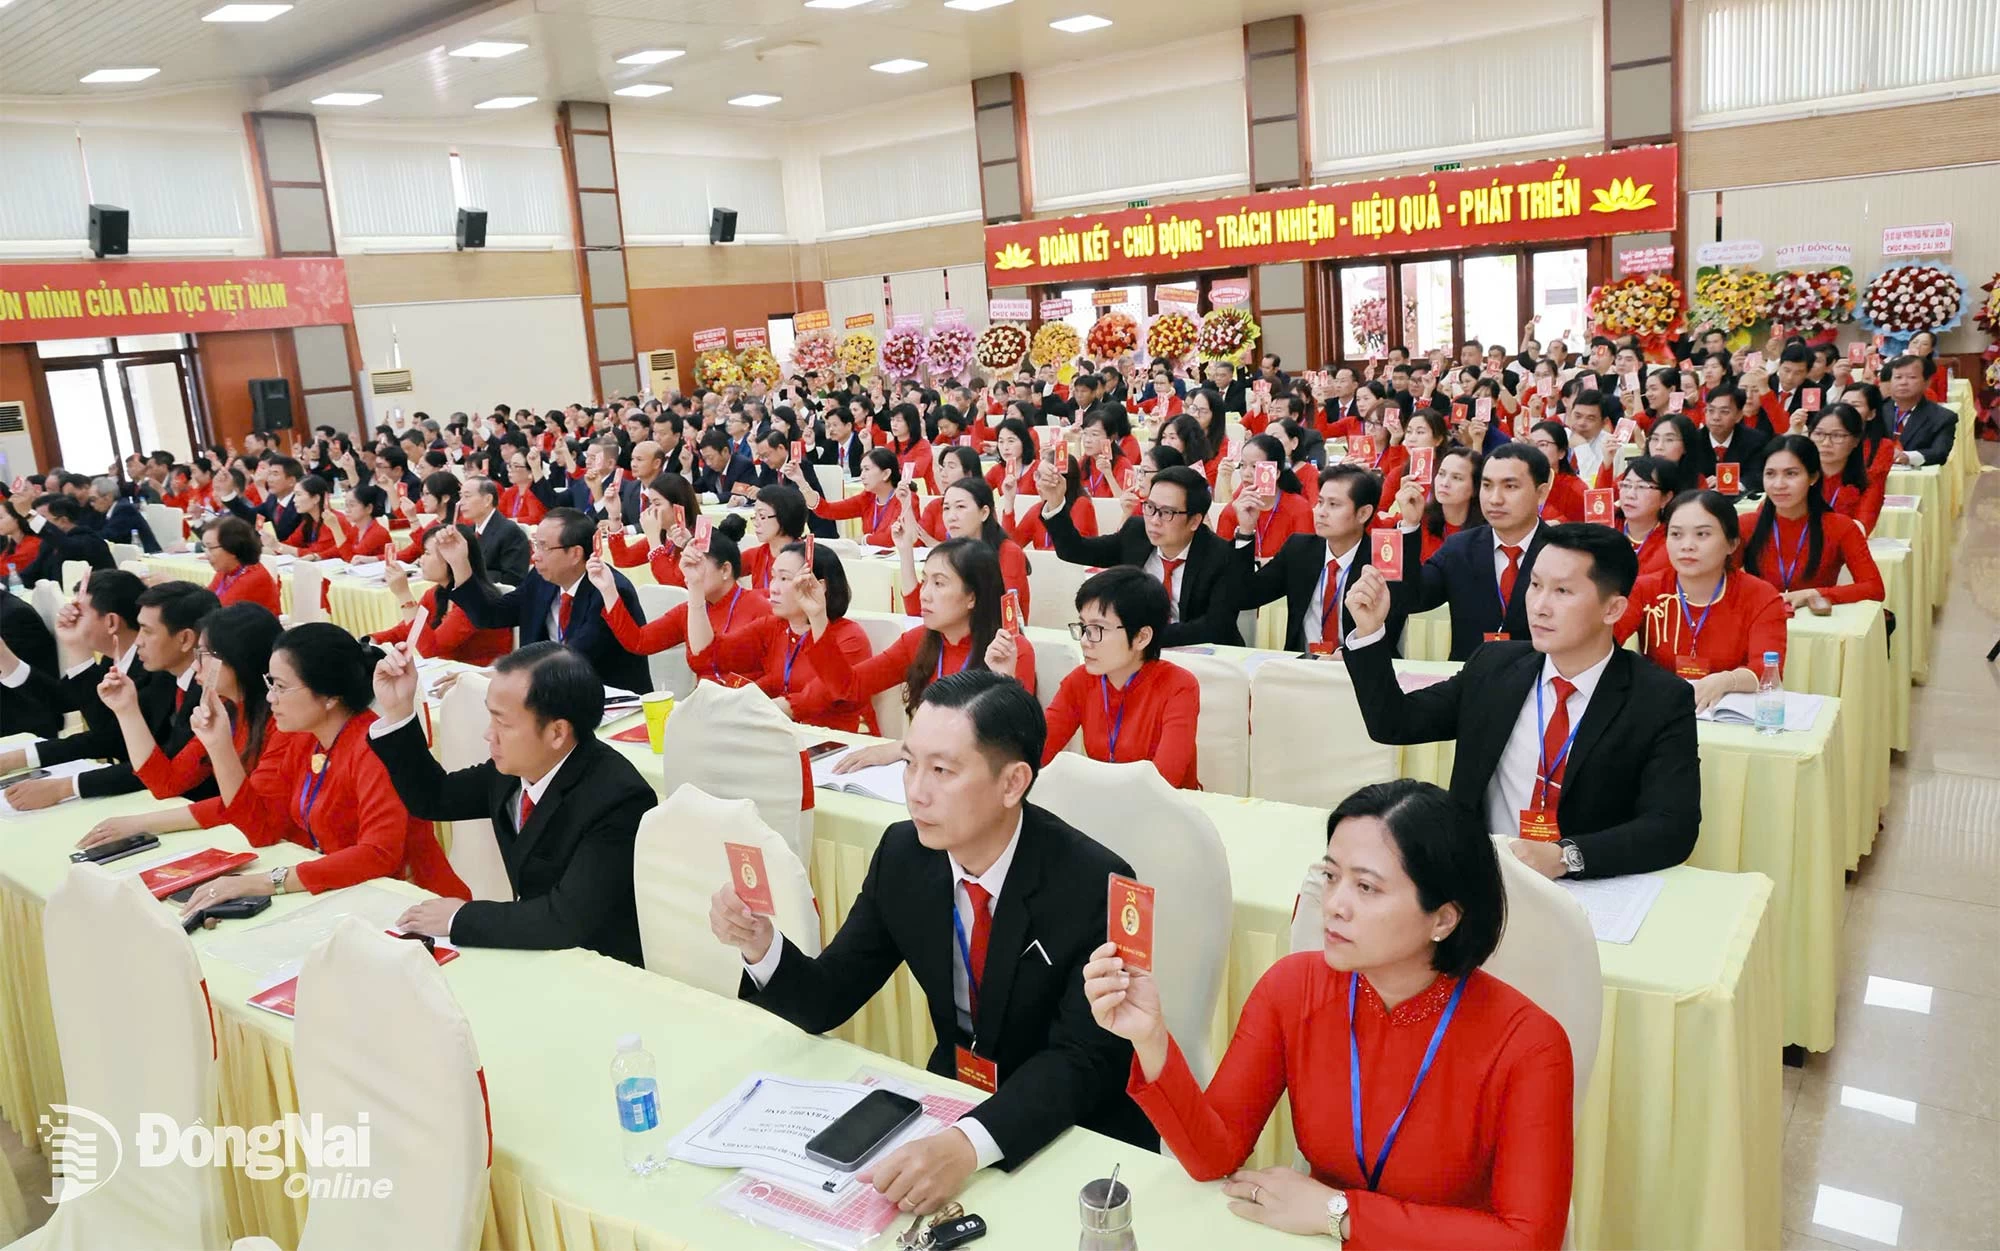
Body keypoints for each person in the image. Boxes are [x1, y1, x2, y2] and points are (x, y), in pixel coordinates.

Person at [709, 670, 1156, 1214]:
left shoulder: (1092, 884)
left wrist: (968, 1145)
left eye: (942, 770)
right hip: (953, 1102)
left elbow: (1083, 1061)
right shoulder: (904, 855)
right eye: (908, 763)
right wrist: (762, 946)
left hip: (1076, 1138)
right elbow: (829, 995)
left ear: (1012, 783)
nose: (915, 791)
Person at [1087, 778, 1572, 1247]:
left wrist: (1338, 1213)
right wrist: (1150, 1038)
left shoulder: (1528, 1043)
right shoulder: (1293, 987)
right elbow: (1215, 1156)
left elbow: (1528, 1239)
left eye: (1366, 888)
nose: (1334, 905)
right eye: (1331, 875)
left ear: (1443, 918)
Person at [1343, 523, 1700, 880]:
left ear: (1613, 609)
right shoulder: (1495, 667)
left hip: (1587, 885)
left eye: (1562, 591)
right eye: (1534, 585)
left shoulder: (1659, 699)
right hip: (1483, 876)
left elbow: (1673, 826)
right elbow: (1395, 722)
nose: (1540, 606)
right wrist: (1371, 632)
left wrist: (1566, 857)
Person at [89, 623, 472, 919]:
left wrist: (265, 882)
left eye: (282, 687)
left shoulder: (375, 747)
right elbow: (261, 827)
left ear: (329, 697)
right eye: (269, 683)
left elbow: (378, 855)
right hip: (350, 897)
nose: (270, 697)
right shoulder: (304, 739)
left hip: (416, 907)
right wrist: (219, 745)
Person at [367, 641, 656, 964]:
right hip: (534, 947)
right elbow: (435, 797)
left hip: (599, 964)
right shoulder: (514, 769)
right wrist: (398, 710)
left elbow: (565, 920)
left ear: (557, 732)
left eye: (502, 723)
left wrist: (459, 917)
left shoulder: (617, 798)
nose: (489, 735)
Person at [815, 540, 1040, 763]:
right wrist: (817, 617)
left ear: (972, 596)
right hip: (925, 770)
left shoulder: (1009, 650)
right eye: (924, 582)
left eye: (939, 584)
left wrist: (903, 748)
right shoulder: (918, 640)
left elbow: (1008, 744)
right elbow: (849, 686)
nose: (924, 594)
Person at [0, 573, 189, 808]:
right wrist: (5, 659)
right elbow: (64, 700)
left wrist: (64, 786)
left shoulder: (160, 670)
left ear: (111, 622)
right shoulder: (117, 657)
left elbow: (110, 737)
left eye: (80, 613)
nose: (70, 618)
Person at [440, 509, 652, 694]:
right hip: (549, 693)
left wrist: (500, 675)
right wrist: (460, 564)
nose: (535, 556)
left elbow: (572, 659)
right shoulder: (542, 579)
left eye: (544, 548)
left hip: (605, 698)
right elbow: (491, 614)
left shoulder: (610, 590)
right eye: (535, 545)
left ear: (575, 554)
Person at [1038, 464, 1247, 647]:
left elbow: (1216, 626)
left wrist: (1139, 636)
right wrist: (1056, 502)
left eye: (1167, 513)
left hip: (1203, 656)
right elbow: (1075, 550)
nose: (1154, 520)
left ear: (1194, 521)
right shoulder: (1136, 533)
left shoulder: (1221, 556)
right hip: (1141, 650)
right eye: (1150, 507)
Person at [1029, 567, 1200, 788]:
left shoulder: (1178, 686)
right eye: (1083, 627)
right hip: (1103, 804)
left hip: (1165, 811)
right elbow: (1035, 754)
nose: (1084, 640)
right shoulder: (1080, 681)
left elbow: (1165, 782)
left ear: (1141, 637)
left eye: (1098, 628)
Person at [1616, 491, 1788, 709]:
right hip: (1658, 707)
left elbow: (1767, 669)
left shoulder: (1761, 596)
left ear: (1732, 544)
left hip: (1727, 714)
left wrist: (1724, 681)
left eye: (1702, 535)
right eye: (1676, 535)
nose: (1687, 545)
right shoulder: (1645, 589)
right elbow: (1605, 644)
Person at [685, 540, 872, 731]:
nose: (773, 588)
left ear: (818, 586)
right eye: (773, 577)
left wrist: (740, 710)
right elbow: (709, 656)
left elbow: (812, 699)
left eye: (784, 579)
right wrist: (695, 588)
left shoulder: (850, 638)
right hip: (779, 733)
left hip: (836, 744)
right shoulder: (774, 627)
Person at [1394, 444, 1553, 661]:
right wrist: (1410, 527)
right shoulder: (1459, 548)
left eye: (1510, 487)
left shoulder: (1561, 553)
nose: (1495, 499)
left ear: (1541, 493)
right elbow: (1412, 599)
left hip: (1540, 683)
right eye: (1487, 486)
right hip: (1469, 679)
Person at [124, 603, 282, 805]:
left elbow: (257, 809)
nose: (194, 665)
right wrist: (127, 709)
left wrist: (146, 823)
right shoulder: (226, 709)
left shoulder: (280, 719)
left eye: (203, 655)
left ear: (237, 657)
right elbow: (166, 783)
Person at [1238, 465, 1404, 654]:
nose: (1320, 512)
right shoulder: (1299, 550)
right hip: (1304, 668)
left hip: (1359, 671)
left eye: (1333, 505)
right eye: (1320, 502)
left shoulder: (1382, 559)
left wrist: (1350, 656)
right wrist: (1245, 532)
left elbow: (1390, 629)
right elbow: (1246, 596)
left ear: (1363, 513)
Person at [1739, 435, 1884, 609]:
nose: (1778, 484)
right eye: (1770, 474)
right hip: (1758, 624)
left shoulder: (1841, 527)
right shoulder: (1746, 525)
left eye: (1791, 474)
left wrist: (1814, 594)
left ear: (1813, 477)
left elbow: (1874, 589)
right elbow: (1719, 584)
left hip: (1818, 630)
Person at [593, 530, 770, 662]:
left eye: (697, 564)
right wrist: (609, 590)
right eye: (686, 565)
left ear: (725, 569)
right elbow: (640, 641)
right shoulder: (688, 611)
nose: (689, 573)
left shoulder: (759, 606)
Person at [374, 523, 514, 666]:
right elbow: (405, 630)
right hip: (449, 672)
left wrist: (404, 595)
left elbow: (430, 650)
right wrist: (372, 640)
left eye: (427, 553)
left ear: (451, 557)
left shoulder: (475, 601)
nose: (420, 560)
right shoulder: (436, 592)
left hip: (479, 678)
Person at [914, 477, 1033, 615]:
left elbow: (1009, 616)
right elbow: (918, 612)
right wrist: (905, 551)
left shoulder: (1008, 553)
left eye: (960, 507)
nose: (951, 517)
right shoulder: (948, 553)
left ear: (984, 513)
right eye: (946, 508)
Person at [1216, 435, 1313, 559]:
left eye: (1255, 467)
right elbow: (1221, 563)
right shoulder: (1232, 511)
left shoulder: (1299, 509)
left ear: (1276, 472)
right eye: (1242, 465)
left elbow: (1305, 559)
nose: (1246, 473)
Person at [789, 448, 905, 547]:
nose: (862, 476)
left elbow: (892, 538)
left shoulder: (905, 498)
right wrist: (801, 482)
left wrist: (861, 540)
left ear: (886, 474)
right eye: (861, 470)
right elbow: (827, 510)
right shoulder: (868, 497)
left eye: (867, 469)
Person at [16, 494, 114, 587]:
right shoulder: (48, 543)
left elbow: (66, 546)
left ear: (63, 520)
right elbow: (30, 574)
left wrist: (30, 515)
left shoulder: (89, 541)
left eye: (42, 518)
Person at [1880, 354, 1956, 467]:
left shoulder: (1943, 417)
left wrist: (1907, 457)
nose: (1903, 382)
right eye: (1898, 377)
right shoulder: (1877, 411)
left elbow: (1939, 452)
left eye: (1911, 377)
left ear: (1927, 382)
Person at [1613, 456, 1678, 579]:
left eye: (1642, 487)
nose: (1630, 495)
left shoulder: (1672, 540)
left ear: (1666, 498)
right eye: (1626, 485)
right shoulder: (1609, 526)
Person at [201, 516, 283, 615]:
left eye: (211, 548)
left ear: (232, 547)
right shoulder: (227, 571)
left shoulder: (253, 578)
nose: (206, 555)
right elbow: (205, 600)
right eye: (205, 548)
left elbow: (218, 614)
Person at [459, 475, 532, 584]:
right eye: (461, 496)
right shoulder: (467, 532)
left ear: (487, 500)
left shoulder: (510, 532)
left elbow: (513, 578)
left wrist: (470, 576)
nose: (461, 502)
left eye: (467, 496)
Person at [1701, 386, 1769, 494]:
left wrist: (1731, 485)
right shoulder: (1693, 440)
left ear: (1738, 415)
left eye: (1724, 412)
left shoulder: (1755, 440)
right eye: (1711, 410)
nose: (1716, 417)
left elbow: (1758, 475)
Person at [1525, 423, 1584, 523]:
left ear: (1561, 453)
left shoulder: (1575, 487)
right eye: (1531, 445)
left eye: (1542, 444)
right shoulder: (1521, 482)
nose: (1535, 450)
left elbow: (1582, 521)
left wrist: (1561, 523)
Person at [0, 497, 43, 581]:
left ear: (16, 518)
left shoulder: (33, 544)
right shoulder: (13, 545)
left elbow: (7, 571)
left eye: (0, 518)